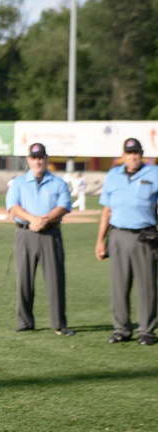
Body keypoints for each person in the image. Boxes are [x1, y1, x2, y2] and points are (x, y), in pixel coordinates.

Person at [5, 143, 74, 336]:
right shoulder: (18, 182)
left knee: (55, 280)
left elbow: (64, 206)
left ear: (46, 159)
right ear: (28, 159)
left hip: (50, 233)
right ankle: (25, 321)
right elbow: (13, 206)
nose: (38, 161)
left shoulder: (58, 182)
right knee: (24, 280)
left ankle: (59, 323)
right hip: (24, 233)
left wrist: (44, 220)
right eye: (34, 157)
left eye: (41, 157)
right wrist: (33, 219)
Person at [95, 137, 158, 345]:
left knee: (147, 286)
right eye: (129, 153)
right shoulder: (113, 175)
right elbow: (107, 210)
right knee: (119, 285)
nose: (133, 156)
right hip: (118, 235)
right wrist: (100, 241)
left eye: (137, 152)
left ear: (142, 154)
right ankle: (121, 329)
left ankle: (146, 331)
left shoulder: (154, 173)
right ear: (123, 155)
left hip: (145, 236)